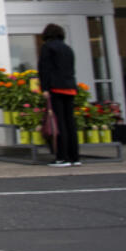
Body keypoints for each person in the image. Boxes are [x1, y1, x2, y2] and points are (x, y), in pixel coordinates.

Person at [37, 22, 80, 168]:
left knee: (58, 123)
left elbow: (45, 69)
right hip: (70, 87)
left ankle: (62, 157)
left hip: (56, 88)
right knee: (70, 123)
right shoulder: (68, 48)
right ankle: (75, 156)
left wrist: (45, 88)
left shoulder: (47, 47)